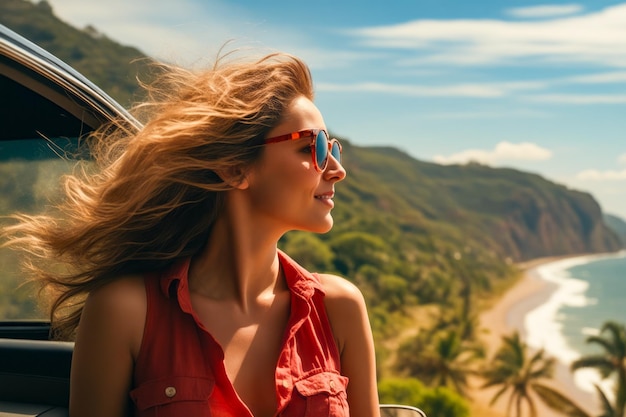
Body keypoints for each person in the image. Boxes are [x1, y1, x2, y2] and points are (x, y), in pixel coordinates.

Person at [2, 51, 380, 417]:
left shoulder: (339, 307)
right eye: (312, 146)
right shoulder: (126, 311)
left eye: (333, 148)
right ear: (233, 168)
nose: (335, 169)